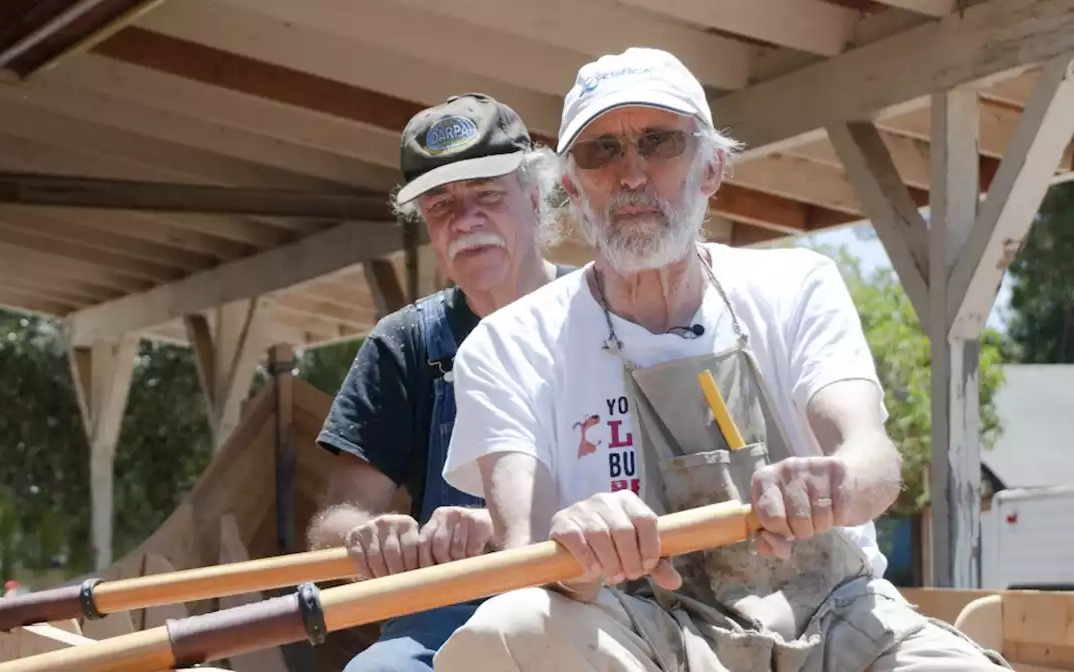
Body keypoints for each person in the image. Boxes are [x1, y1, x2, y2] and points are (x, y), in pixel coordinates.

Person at [432, 48, 1012, 672]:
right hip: (646, 636)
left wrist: (836, 481)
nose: (631, 176)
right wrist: (575, 543)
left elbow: (872, 457)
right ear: (571, 188)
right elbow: (525, 552)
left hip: (837, 623)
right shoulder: (507, 345)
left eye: (659, 143)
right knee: (504, 630)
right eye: (601, 152)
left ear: (711, 169)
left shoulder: (797, 285)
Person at [307, 92, 575, 672]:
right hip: (450, 613)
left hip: (592, 589)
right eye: (441, 203)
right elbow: (333, 524)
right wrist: (372, 534)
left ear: (534, 197)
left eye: (487, 195)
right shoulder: (407, 343)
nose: (466, 219)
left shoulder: (606, 315)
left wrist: (508, 531)